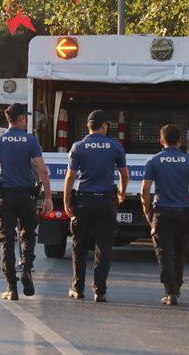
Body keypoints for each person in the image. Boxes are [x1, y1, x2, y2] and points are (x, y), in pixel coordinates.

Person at [0, 103, 53, 300]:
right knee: (28, 235)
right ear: (21, 118)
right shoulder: (31, 140)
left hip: (5, 197)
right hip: (27, 196)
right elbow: (42, 169)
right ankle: (26, 269)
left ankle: (11, 287)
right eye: (25, 117)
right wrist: (48, 196)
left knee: (6, 240)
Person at [63, 110, 128, 303]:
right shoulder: (115, 146)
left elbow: (70, 177)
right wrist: (122, 193)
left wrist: (67, 202)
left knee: (79, 245)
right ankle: (100, 290)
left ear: (88, 126)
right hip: (106, 201)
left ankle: (77, 288)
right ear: (105, 125)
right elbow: (124, 174)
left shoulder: (78, 146)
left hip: (83, 201)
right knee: (104, 247)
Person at [141, 125, 189, 306]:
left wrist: (146, 209)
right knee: (180, 251)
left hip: (162, 212)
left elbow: (145, 190)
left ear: (161, 141)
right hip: (183, 212)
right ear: (180, 141)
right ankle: (177, 287)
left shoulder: (154, 161)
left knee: (164, 253)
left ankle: (170, 292)